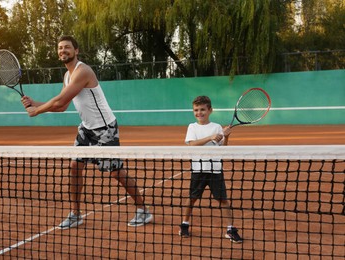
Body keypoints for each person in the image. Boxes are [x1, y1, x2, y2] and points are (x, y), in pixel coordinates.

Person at [21, 35, 153, 229]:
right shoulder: (67, 75)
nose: (62, 51)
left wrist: (37, 111)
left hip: (105, 129)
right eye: (60, 48)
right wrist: (35, 104)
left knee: (116, 173)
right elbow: (62, 106)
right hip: (86, 129)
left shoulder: (83, 71)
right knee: (75, 167)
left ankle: (143, 210)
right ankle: (75, 214)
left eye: (67, 47)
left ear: (76, 51)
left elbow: (58, 102)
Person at [179, 95, 242, 243]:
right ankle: (184, 225)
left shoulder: (217, 127)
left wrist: (226, 137)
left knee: (223, 200)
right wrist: (210, 138)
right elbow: (192, 144)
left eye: (202, 109)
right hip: (198, 170)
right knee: (192, 199)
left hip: (215, 170)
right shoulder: (192, 127)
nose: (199, 113)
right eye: (196, 110)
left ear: (210, 110)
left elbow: (223, 150)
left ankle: (230, 229)